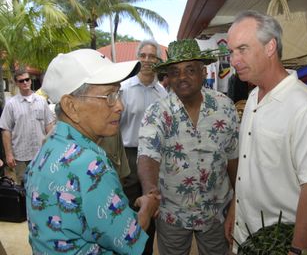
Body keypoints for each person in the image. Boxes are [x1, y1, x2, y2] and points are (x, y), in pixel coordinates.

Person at [24, 49, 159, 254]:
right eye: (109, 96)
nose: (120, 106)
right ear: (71, 106)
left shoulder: (49, 146)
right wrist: (147, 207)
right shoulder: (89, 165)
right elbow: (129, 237)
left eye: (119, 93)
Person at [225, 10, 307, 255]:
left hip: (280, 243)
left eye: (242, 49)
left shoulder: (305, 107)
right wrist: (235, 209)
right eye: (231, 52)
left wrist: (298, 250)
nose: (233, 60)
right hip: (245, 239)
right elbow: (246, 166)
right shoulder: (253, 96)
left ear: (270, 47)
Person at [137, 39, 239, 255]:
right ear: (168, 77)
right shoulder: (157, 112)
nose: (182, 77)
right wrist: (150, 192)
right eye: (174, 72)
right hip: (173, 212)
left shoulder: (225, 106)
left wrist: (238, 199)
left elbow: (233, 156)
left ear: (203, 72)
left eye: (190, 70)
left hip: (216, 210)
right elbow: (147, 155)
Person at [119, 39, 168, 254]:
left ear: (158, 61)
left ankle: (146, 250)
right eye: (144, 56)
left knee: (152, 204)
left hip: (156, 159)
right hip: (129, 156)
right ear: (138, 58)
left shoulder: (164, 94)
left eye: (152, 56)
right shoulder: (124, 89)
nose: (147, 60)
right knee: (129, 208)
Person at [0, 69, 55, 185]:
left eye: (27, 79)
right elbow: (6, 130)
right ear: (16, 83)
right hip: (21, 156)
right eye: (21, 81)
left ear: (30, 81)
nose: (25, 82)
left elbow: (49, 125)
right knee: (24, 186)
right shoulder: (11, 104)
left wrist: (52, 149)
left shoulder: (42, 101)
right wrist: (8, 154)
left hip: (41, 153)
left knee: (42, 184)